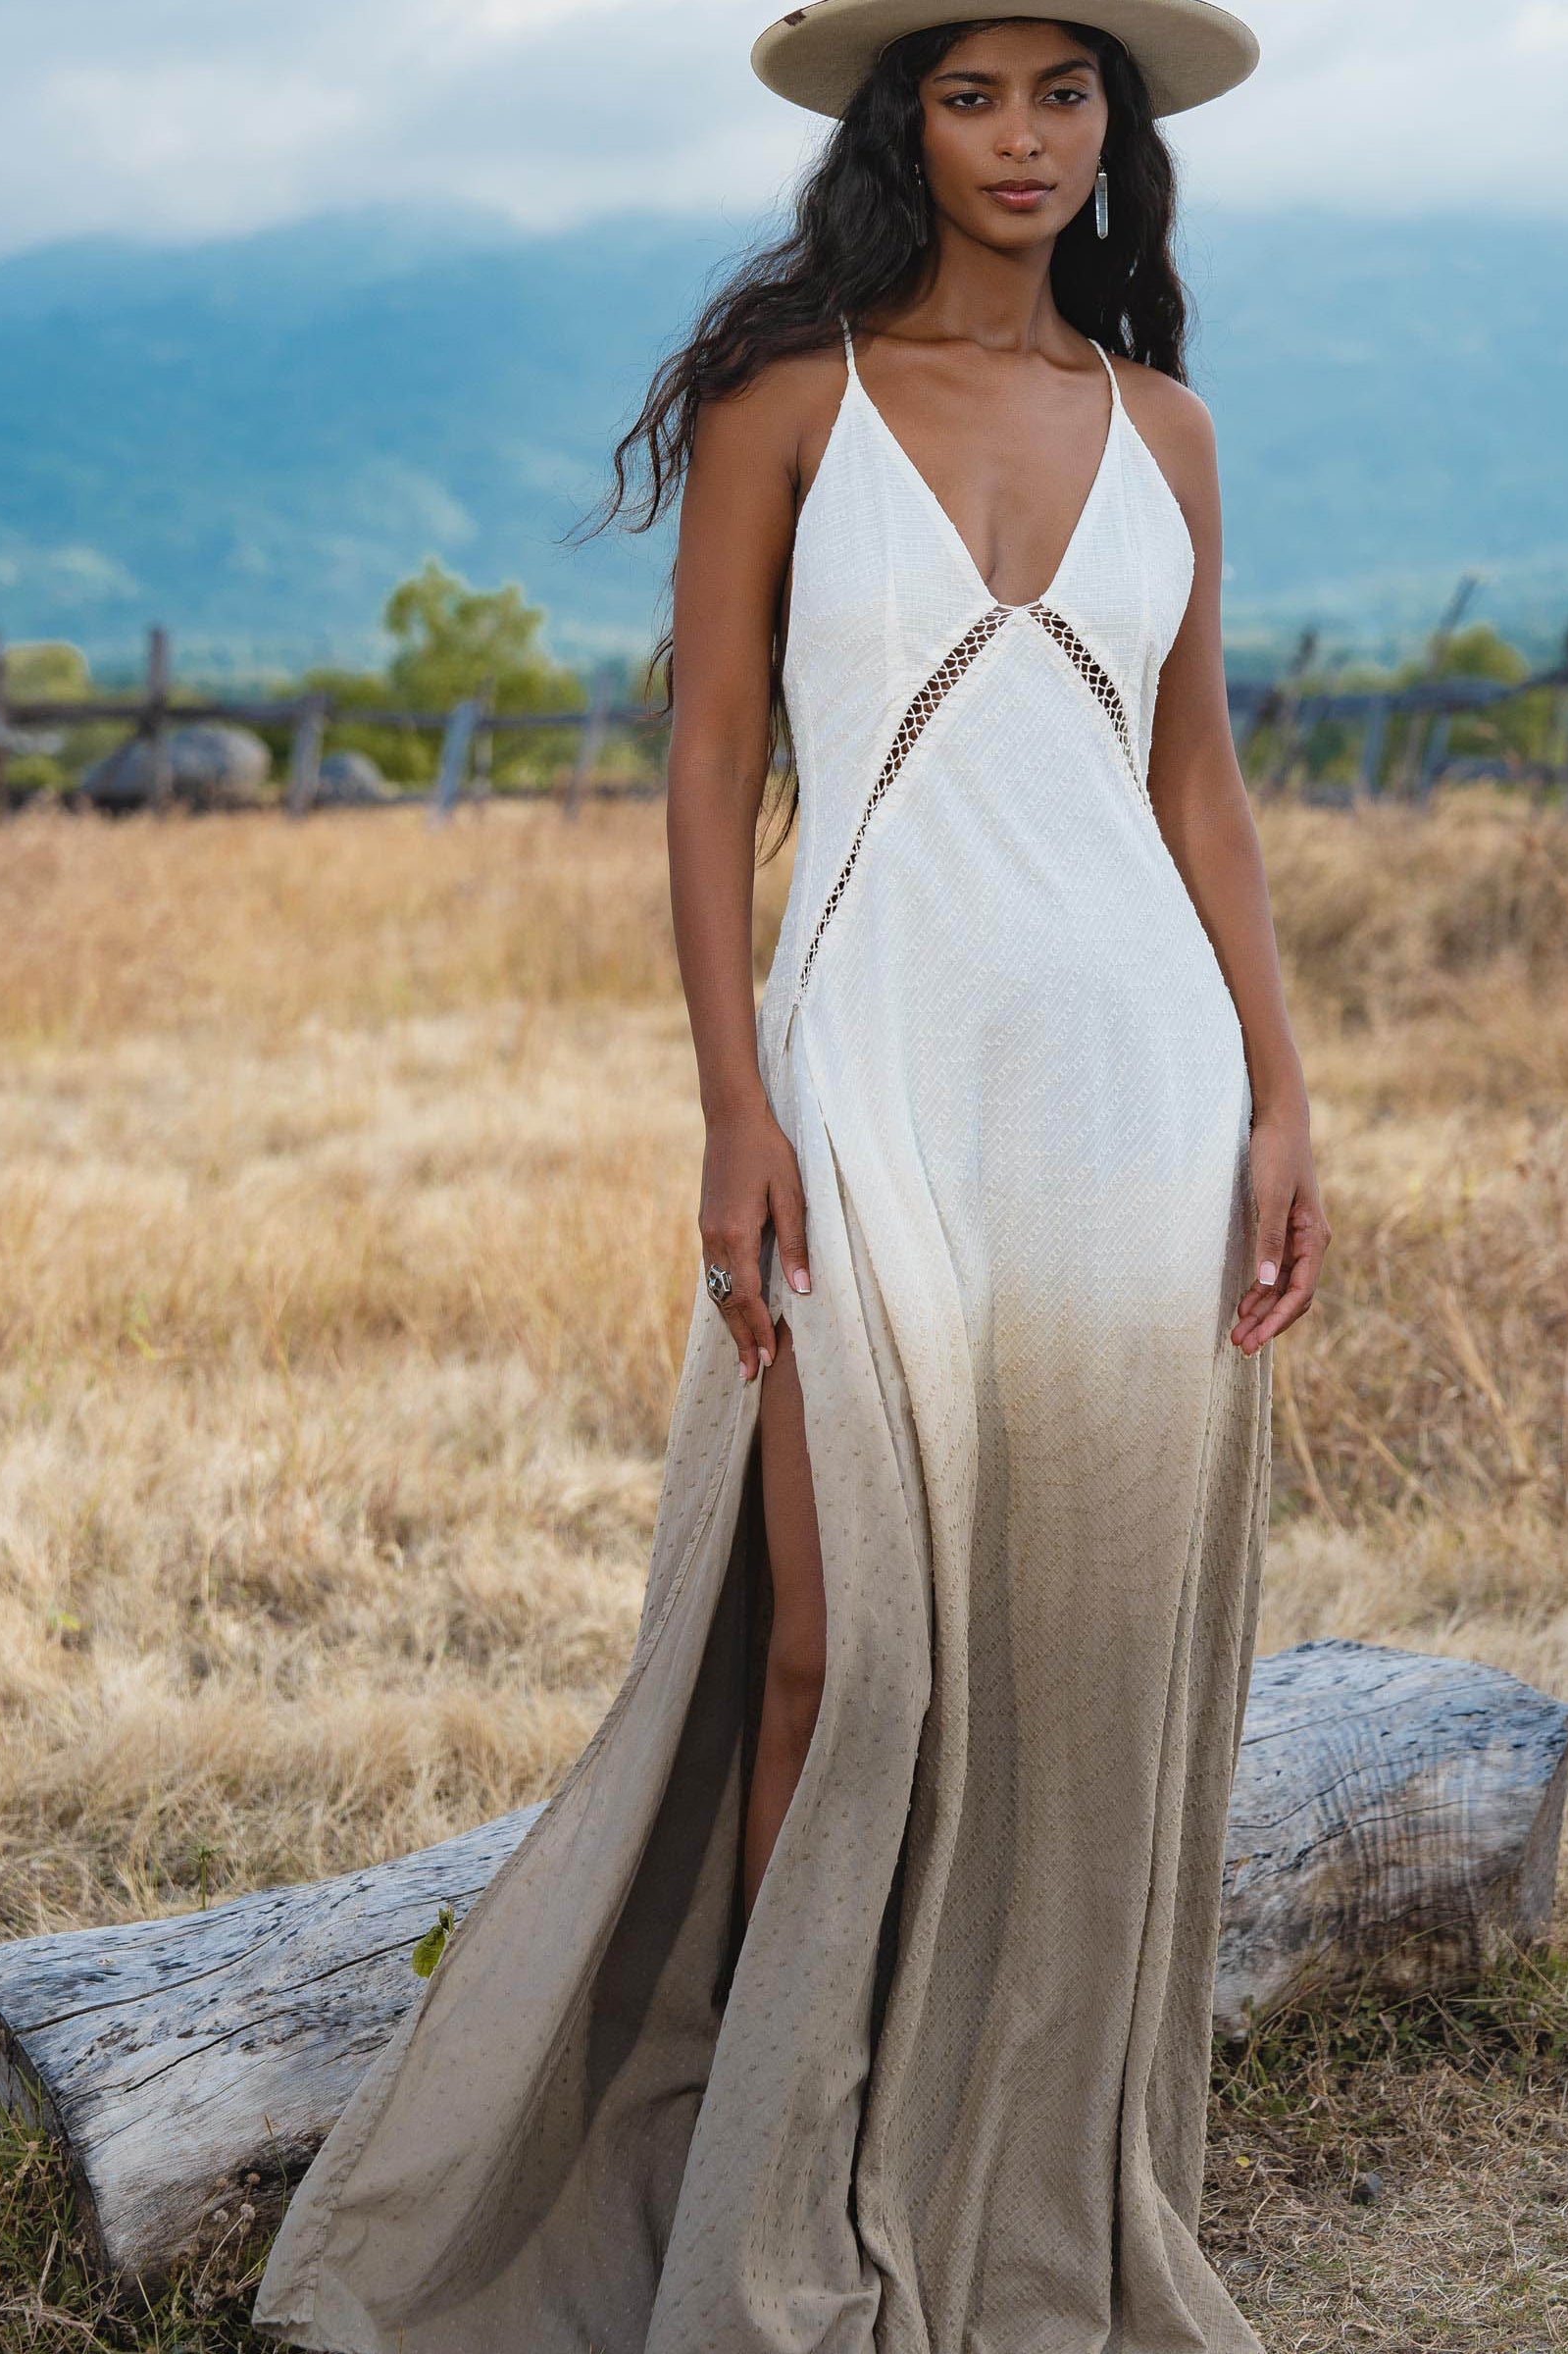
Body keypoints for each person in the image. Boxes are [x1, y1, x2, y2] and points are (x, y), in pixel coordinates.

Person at [254, 6, 1329, 2348]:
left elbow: (1199, 784)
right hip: (866, 1076)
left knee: (1078, 1658)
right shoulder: (787, 401)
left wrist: (1279, 1090)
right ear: (898, 122)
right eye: (972, 91)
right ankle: (771, 2201)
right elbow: (711, 758)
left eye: (1064, 91)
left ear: (1114, 130)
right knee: (839, 1652)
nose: (1022, 136)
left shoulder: (1164, 427)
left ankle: (1000, 2167)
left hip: (1133, 1094)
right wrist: (731, 1102)